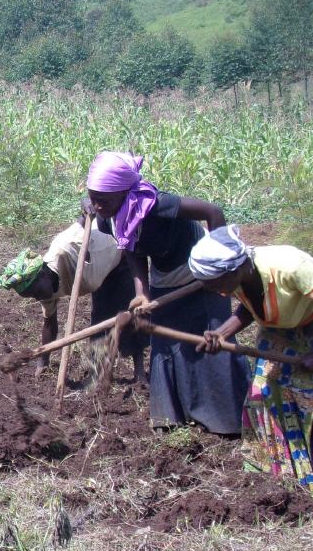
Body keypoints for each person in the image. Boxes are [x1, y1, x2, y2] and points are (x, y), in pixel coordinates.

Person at [86, 150, 249, 434]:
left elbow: (213, 211)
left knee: (212, 341)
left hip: (203, 277)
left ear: (125, 192)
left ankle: (226, 420)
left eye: (104, 199)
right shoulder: (109, 216)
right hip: (165, 277)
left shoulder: (158, 205)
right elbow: (132, 250)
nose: (97, 206)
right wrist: (142, 292)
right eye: (92, 197)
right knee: (165, 344)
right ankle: (172, 416)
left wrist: (218, 261)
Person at [189, 225, 313, 489]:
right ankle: (278, 476)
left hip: (309, 326)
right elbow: (251, 307)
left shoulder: (293, 266)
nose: (212, 290)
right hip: (276, 329)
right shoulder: (236, 277)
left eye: (213, 283)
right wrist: (222, 333)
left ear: (235, 269)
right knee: (262, 395)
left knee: (306, 400)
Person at [0, 211, 147, 382]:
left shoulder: (63, 248)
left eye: (36, 293)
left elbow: (84, 221)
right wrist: (43, 362)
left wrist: (90, 209)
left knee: (129, 313)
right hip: (98, 276)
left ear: (42, 275)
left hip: (120, 254)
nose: (37, 299)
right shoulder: (44, 291)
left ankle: (140, 372)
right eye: (32, 297)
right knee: (99, 322)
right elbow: (49, 324)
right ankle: (99, 375)